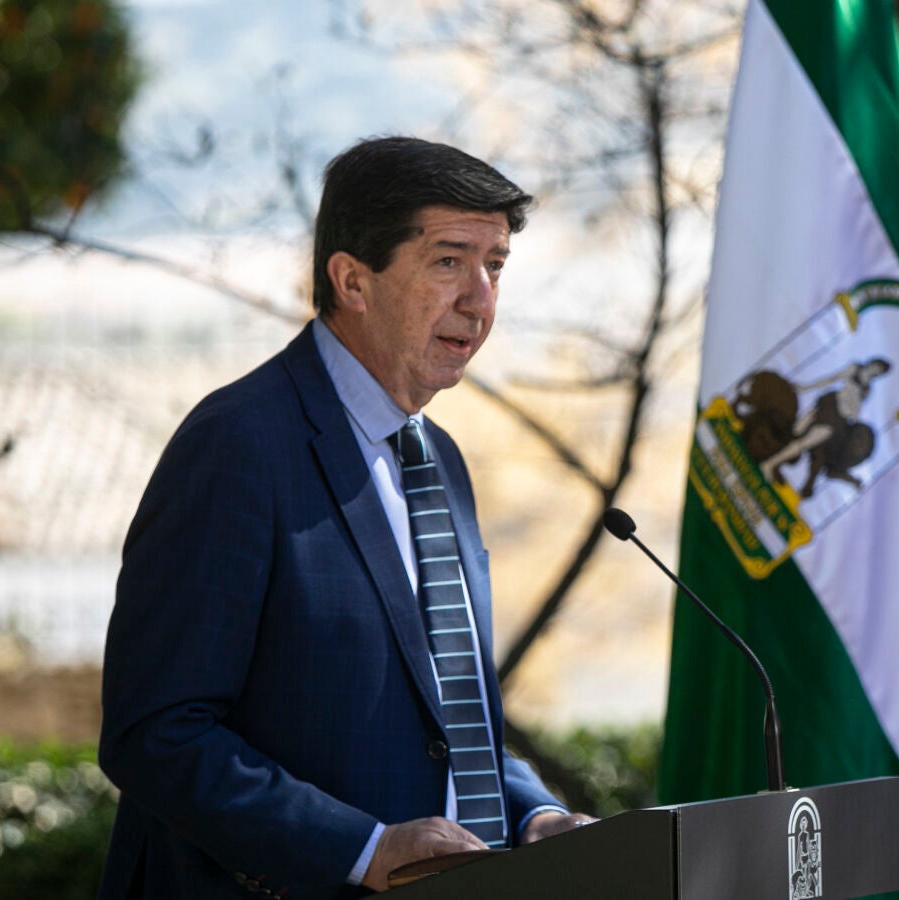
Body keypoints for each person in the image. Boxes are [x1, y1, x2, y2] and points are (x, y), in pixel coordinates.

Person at [98, 136, 593, 899]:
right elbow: (154, 733)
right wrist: (361, 849)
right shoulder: (237, 445)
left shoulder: (441, 460)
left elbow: (449, 725)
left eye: (495, 265)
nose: (480, 300)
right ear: (352, 280)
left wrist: (536, 815)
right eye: (449, 261)